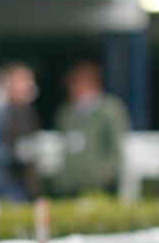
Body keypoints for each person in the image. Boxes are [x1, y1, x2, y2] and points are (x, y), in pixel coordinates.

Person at [53, 61, 130, 196]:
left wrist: (104, 178)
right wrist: (63, 181)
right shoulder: (67, 113)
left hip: (101, 185)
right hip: (72, 186)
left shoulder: (110, 111)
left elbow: (115, 150)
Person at [0, 61, 42, 201]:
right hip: (0, 181)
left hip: (23, 181)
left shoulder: (28, 112)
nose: (27, 85)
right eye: (22, 81)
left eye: (29, 80)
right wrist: (12, 155)